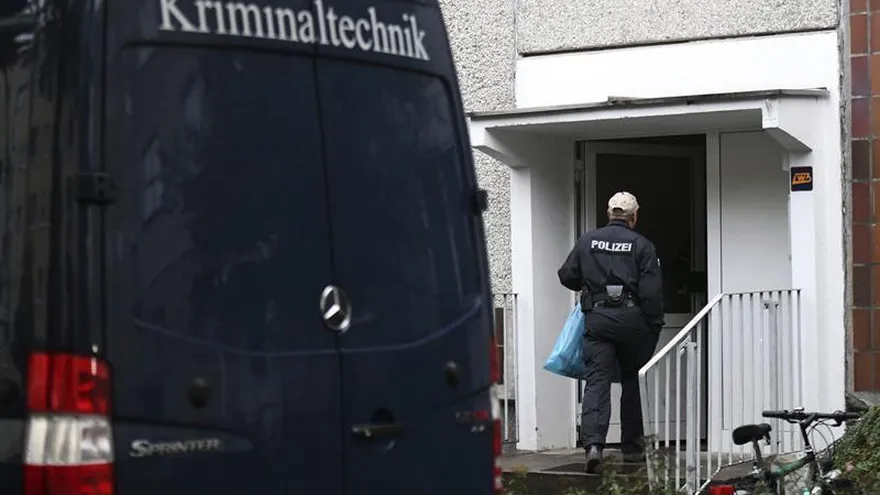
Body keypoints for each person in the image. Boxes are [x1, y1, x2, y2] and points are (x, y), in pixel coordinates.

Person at [557, 191, 664, 473]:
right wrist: (654, 325)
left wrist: (590, 287)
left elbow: (566, 275)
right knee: (633, 383)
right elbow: (651, 292)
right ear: (634, 217)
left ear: (609, 214)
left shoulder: (587, 241)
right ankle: (633, 449)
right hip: (633, 321)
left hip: (599, 319)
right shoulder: (642, 245)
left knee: (596, 382)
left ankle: (594, 446)